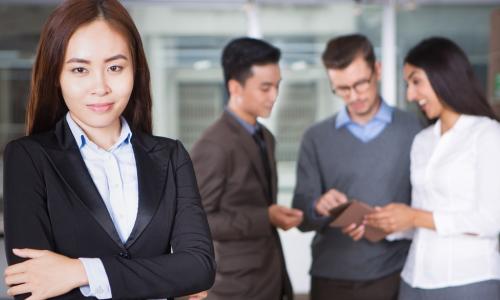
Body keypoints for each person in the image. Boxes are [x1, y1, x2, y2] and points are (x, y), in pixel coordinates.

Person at [2, 1, 215, 299]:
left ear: (135, 70)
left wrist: (81, 272)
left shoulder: (170, 156)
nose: (100, 86)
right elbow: (31, 286)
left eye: (115, 67)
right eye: (79, 69)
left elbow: (199, 267)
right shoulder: (28, 158)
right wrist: (164, 278)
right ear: (56, 76)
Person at [366, 37, 500, 300]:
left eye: (416, 82)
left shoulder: (488, 135)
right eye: (407, 85)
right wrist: (385, 223)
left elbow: (491, 220)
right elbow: (419, 217)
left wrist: (414, 217)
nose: (410, 95)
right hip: (414, 280)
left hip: (468, 281)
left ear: (444, 75)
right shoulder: (422, 140)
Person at [292, 34, 422, 300]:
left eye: (360, 84)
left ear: (378, 70)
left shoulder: (415, 130)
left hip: (394, 273)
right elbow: (300, 215)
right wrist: (318, 206)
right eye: (342, 89)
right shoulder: (316, 137)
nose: (354, 96)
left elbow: (427, 207)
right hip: (330, 276)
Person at [190, 37, 303, 300]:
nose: (274, 96)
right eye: (265, 88)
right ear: (235, 87)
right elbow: (199, 223)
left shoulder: (265, 137)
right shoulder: (214, 145)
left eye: (277, 86)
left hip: (269, 278)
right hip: (234, 287)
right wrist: (266, 217)